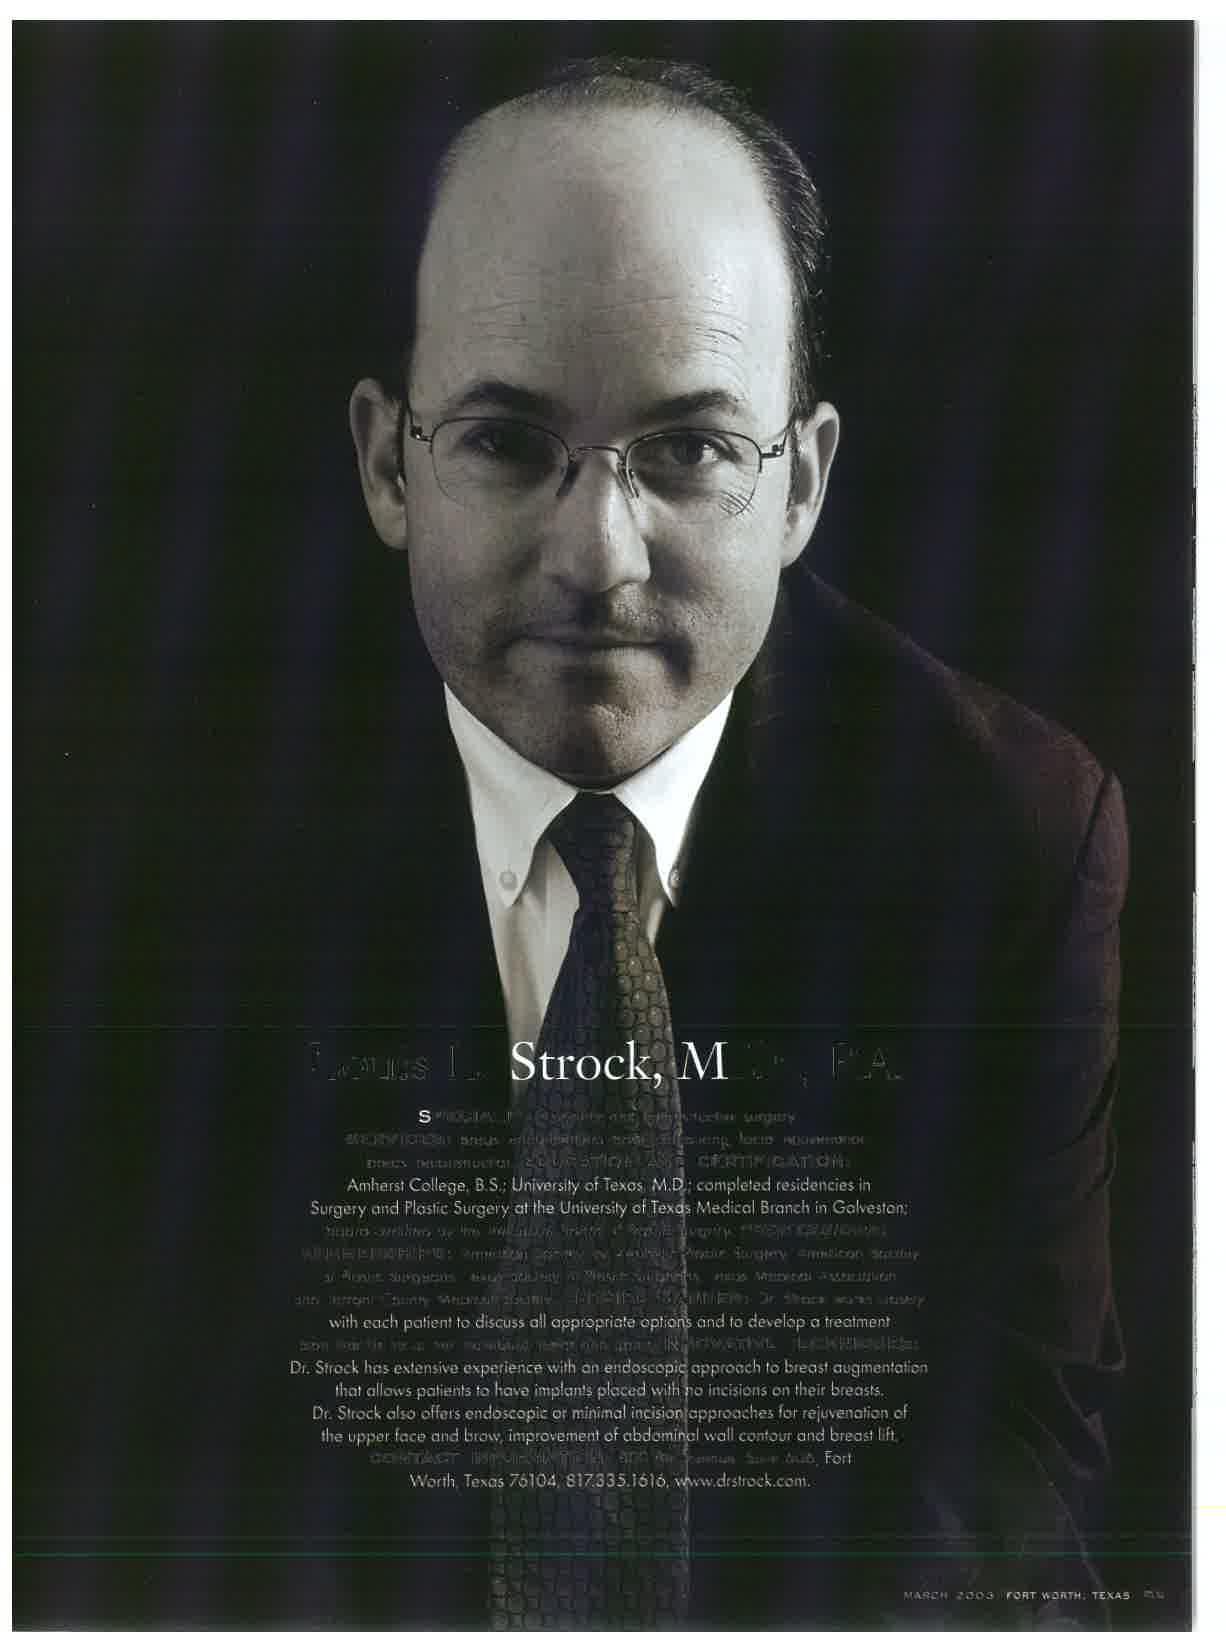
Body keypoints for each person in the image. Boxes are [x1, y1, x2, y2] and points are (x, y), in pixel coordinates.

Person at [339, 55, 1128, 1629]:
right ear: (387, 465)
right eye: (506, 443)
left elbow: (1010, 1449)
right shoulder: (126, 834)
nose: (598, 557)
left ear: (803, 483)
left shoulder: (1007, 835)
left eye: (690, 449)